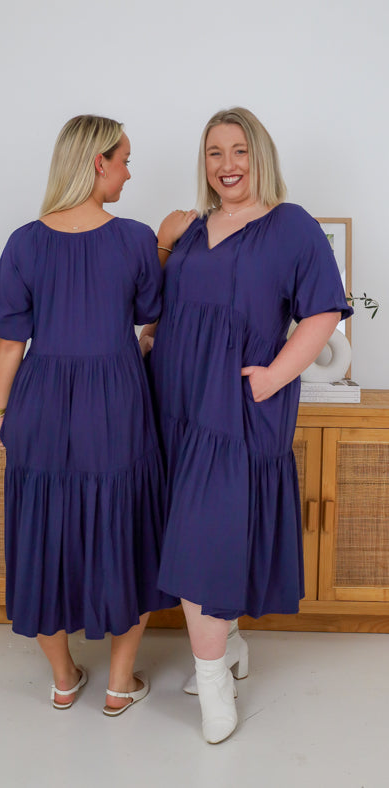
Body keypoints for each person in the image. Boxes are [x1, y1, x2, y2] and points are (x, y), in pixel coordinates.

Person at [140, 107, 352, 744]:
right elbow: (170, 305)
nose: (227, 165)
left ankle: (212, 685)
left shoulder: (293, 227)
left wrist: (271, 378)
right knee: (199, 528)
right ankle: (229, 646)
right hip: (173, 400)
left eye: (239, 151)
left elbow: (322, 315)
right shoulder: (193, 229)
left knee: (205, 539)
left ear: (261, 156)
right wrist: (153, 337)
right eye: (214, 153)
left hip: (236, 406)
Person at [0, 115, 177, 717]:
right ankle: (120, 683)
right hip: (117, 400)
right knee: (128, 528)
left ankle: (65, 677)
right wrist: (166, 250)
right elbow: (152, 317)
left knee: (41, 532)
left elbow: (9, 343)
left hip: (41, 401)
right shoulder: (135, 239)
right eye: (123, 159)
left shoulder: (23, 241)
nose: (128, 170)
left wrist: (0, 411)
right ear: (97, 162)